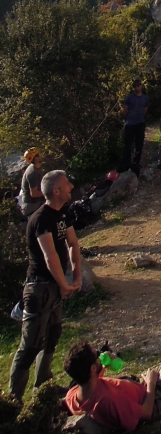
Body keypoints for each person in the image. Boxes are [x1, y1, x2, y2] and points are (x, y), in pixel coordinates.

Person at [9, 169, 81, 401]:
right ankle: (13, 401)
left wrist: (76, 277)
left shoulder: (62, 215)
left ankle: (43, 386)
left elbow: (73, 244)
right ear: (56, 191)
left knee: (52, 335)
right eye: (66, 184)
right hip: (39, 288)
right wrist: (64, 284)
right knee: (30, 344)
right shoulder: (40, 219)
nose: (71, 186)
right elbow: (49, 257)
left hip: (55, 287)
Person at [64, 333, 161, 432]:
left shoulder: (74, 395)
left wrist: (103, 365)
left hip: (143, 389)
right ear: (92, 368)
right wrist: (151, 384)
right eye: (96, 355)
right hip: (154, 398)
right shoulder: (108, 401)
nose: (100, 355)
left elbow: (92, 381)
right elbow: (146, 412)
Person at [118, 78, 149, 175]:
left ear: (141, 86)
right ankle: (126, 162)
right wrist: (127, 118)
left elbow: (145, 109)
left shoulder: (145, 98)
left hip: (140, 122)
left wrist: (140, 117)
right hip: (130, 124)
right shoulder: (129, 98)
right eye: (135, 86)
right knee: (128, 144)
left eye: (138, 85)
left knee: (139, 143)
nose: (137, 87)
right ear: (133, 87)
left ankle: (136, 162)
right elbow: (124, 110)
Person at [18, 147, 45, 217]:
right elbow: (34, 194)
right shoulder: (32, 173)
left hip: (36, 203)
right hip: (31, 206)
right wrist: (48, 191)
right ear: (36, 159)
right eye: (39, 155)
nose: (42, 155)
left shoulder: (37, 168)